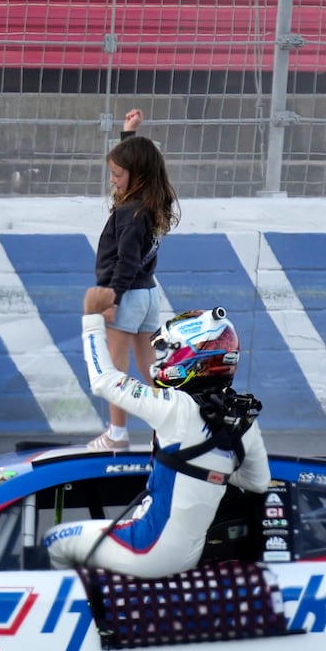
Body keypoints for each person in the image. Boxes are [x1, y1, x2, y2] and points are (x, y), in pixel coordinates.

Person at [47, 291, 269, 580]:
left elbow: (103, 381)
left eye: (168, 351)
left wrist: (91, 318)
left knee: (56, 539)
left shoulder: (175, 407)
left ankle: (66, 615)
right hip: (189, 557)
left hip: (147, 548)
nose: (160, 360)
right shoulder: (244, 420)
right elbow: (258, 482)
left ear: (194, 356)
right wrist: (212, 467)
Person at [87, 108, 180, 451]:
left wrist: (111, 299)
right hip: (148, 295)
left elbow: (125, 262)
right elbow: (138, 164)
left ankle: (117, 433)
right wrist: (129, 134)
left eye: (116, 174)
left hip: (127, 295)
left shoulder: (128, 214)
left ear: (136, 176)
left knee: (115, 368)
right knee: (151, 367)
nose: (112, 180)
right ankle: (172, 421)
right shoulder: (152, 202)